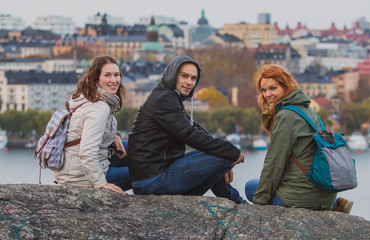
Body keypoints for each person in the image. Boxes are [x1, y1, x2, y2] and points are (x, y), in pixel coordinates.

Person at [127, 55, 245, 203]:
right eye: (184, 76)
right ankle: (237, 201)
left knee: (220, 153)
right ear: (172, 74)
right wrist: (232, 153)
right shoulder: (164, 98)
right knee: (223, 154)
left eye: (193, 78)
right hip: (152, 181)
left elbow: (192, 127)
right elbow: (190, 135)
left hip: (155, 174)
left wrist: (225, 154)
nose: (189, 82)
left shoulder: (168, 95)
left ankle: (235, 200)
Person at [245, 64, 353, 213]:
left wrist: (259, 206)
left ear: (286, 86)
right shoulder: (307, 109)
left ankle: (322, 204)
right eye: (263, 90)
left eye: (273, 88)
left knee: (251, 187)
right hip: (325, 191)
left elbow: (274, 163)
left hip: (302, 198)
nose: (267, 94)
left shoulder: (285, 116)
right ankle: (334, 204)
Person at [52, 56, 131, 195]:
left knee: (138, 148)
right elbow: (87, 152)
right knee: (145, 172)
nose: (114, 80)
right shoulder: (99, 107)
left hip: (70, 169)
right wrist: (101, 183)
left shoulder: (87, 97)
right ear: (96, 78)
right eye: (107, 75)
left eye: (117, 75)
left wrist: (114, 137)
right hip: (80, 178)